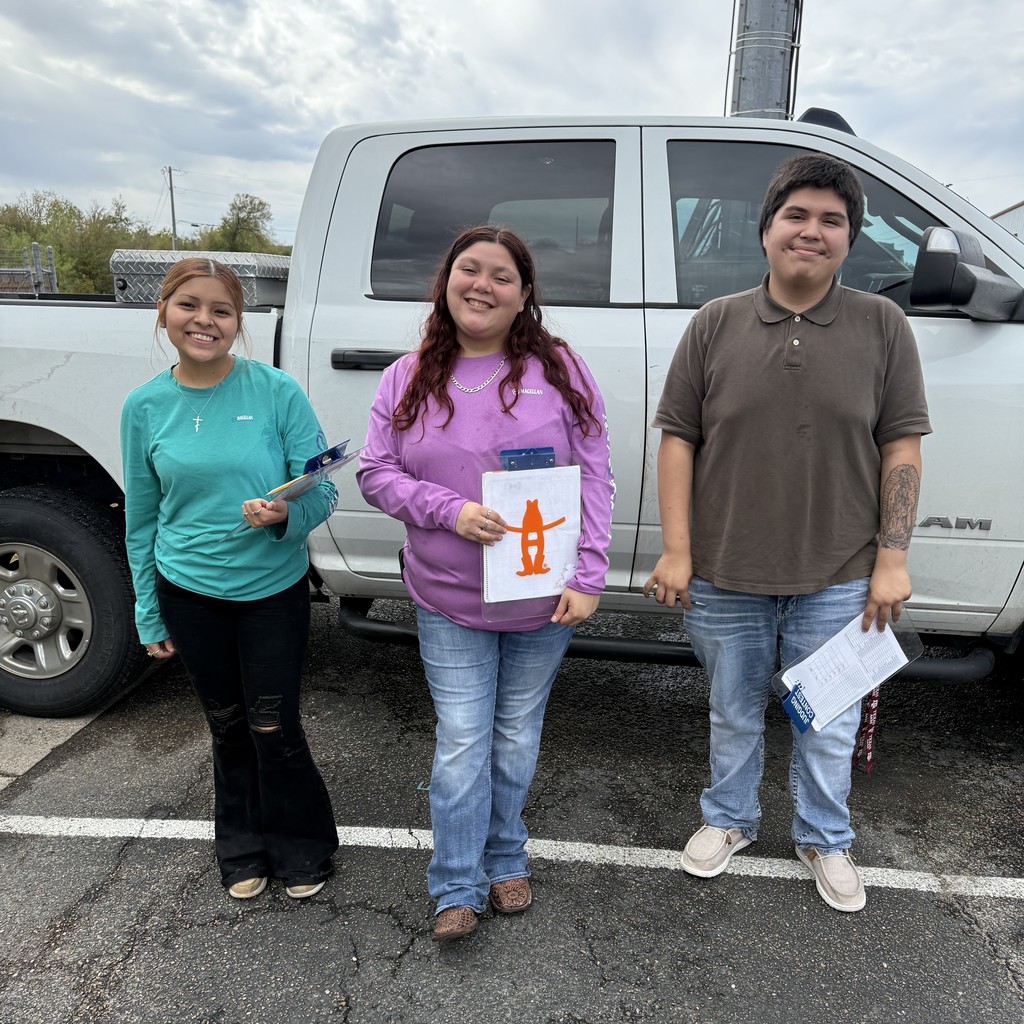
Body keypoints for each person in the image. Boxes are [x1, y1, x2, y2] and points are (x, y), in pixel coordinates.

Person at [644, 153, 932, 912]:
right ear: (766, 229)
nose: (812, 231)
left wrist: (892, 559)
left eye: (831, 221)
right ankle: (729, 820)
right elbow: (678, 437)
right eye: (796, 215)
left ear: (849, 240)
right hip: (723, 572)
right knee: (733, 710)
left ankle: (822, 837)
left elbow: (901, 444)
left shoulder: (883, 326)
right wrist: (677, 550)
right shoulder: (715, 323)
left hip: (839, 574)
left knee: (825, 720)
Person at [358, 225, 615, 941]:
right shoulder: (407, 376)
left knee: (514, 735)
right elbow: (376, 473)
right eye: (468, 269)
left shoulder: (561, 369)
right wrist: (450, 510)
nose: (483, 285)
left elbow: (596, 473)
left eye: (502, 275)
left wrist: (589, 572)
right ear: (446, 280)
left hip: (541, 597)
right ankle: (456, 883)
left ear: (525, 294)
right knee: (466, 739)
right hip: (449, 598)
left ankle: (506, 856)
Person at [120, 257, 339, 902]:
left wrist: (284, 515)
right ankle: (240, 846)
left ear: (239, 323)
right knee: (226, 724)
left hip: (271, 592)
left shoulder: (276, 392)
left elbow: (321, 493)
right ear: (163, 312)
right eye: (189, 305)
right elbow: (141, 516)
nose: (204, 320)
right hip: (187, 591)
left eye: (220, 310)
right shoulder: (145, 406)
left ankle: (303, 844)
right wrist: (147, 611)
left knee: (273, 724)